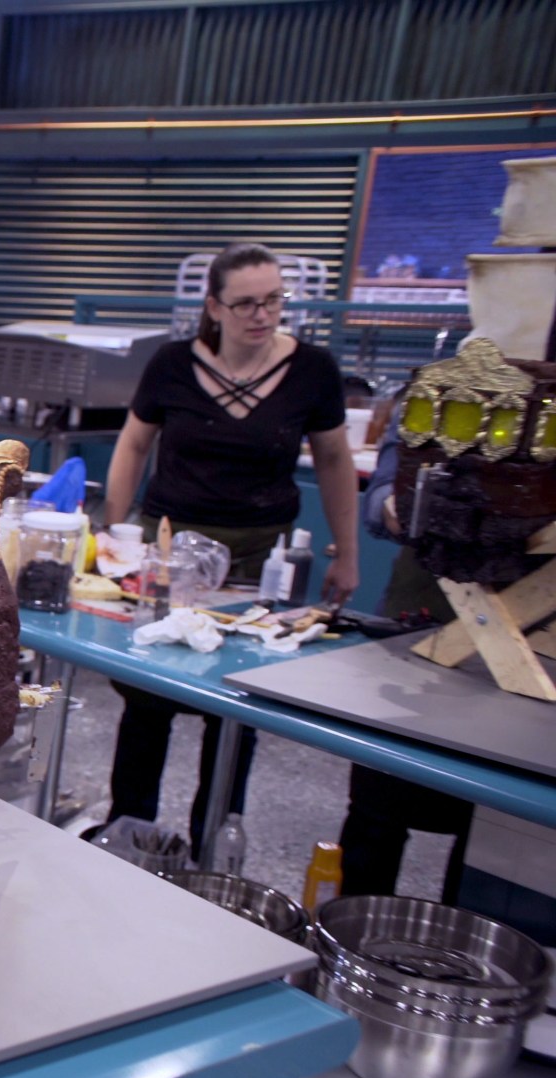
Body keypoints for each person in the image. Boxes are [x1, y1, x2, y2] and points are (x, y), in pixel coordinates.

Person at [93, 242, 360, 854]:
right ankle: (127, 832)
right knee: (147, 698)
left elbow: (334, 460)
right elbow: (133, 446)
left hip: (261, 562)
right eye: (245, 303)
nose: (261, 314)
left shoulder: (313, 369)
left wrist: (347, 553)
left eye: (273, 300)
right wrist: (114, 532)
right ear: (214, 306)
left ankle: (214, 844)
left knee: (237, 706)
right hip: (169, 552)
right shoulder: (172, 364)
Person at [336, 433, 471, 898]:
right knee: (377, 809)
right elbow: (380, 499)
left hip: (531, 640)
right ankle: (349, 934)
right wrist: (399, 507)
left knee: (494, 836)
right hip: (417, 621)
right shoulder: (430, 401)